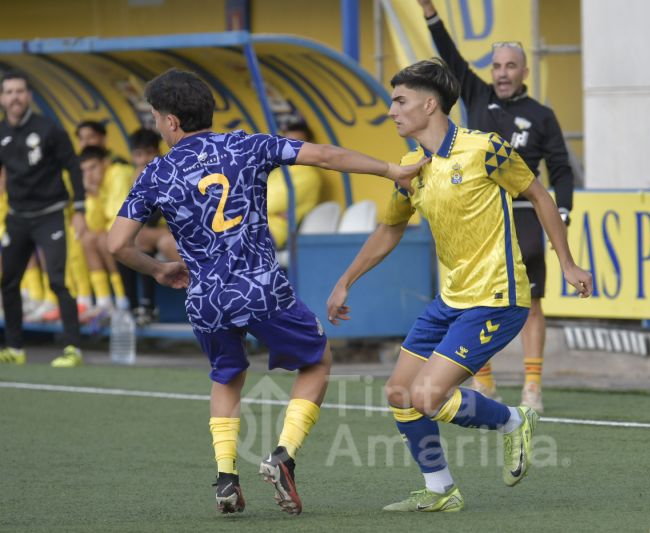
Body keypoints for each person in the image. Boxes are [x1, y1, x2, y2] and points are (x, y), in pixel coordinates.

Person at [107, 68, 427, 515]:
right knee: (317, 360)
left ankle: (225, 477)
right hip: (260, 288)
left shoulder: (154, 173)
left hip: (206, 298)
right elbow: (328, 157)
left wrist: (159, 270)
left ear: (172, 122)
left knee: (227, 375)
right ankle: (283, 455)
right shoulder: (247, 144)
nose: (158, 125)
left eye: (157, 117)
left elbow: (116, 245)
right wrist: (393, 169)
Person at [326, 59, 592, 512]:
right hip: (451, 299)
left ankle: (513, 421)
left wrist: (566, 262)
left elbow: (539, 194)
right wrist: (346, 280)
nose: (391, 111)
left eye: (400, 101)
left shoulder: (485, 148)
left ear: (430, 105)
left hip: (497, 298)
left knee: (427, 397)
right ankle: (440, 489)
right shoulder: (411, 167)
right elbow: (390, 229)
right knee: (399, 394)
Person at [417, 0, 577, 412]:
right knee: (472, 302)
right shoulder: (476, 94)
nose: (502, 73)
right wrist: (429, 10)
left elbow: (560, 169)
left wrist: (563, 211)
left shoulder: (540, 115)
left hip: (523, 219)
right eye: (497, 66)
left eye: (510, 66)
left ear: (524, 71)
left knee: (533, 303)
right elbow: (449, 55)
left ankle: (532, 387)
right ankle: (485, 384)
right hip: (477, 219)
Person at [0, 70, 87, 367]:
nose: (15, 98)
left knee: (58, 280)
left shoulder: (49, 129)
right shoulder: (2, 132)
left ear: (29, 96)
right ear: (2, 98)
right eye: (9, 92)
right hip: (17, 217)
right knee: (9, 282)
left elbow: (73, 167)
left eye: (20, 92)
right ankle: (15, 347)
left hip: (50, 215)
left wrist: (79, 209)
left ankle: (73, 347)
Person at [128, 127, 177, 325]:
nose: (144, 160)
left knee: (135, 237)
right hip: (159, 234)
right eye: (139, 155)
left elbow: (151, 216)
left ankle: (144, 305)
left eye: (149, 153)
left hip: (179, 231)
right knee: (122, 240)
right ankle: (138, 305)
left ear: (158, 152)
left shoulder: (168, 169)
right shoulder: (138, 174)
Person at [79, 146, 135, 318]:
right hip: (119, 231)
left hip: (140, 230)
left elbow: (119, 217)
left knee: (105, 240)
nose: (89, 174)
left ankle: (122, 299)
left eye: (93, 167)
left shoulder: (118, 173)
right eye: (85, 170)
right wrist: (93, 195)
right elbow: (94, 224)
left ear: (105, 162)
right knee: (88, 239)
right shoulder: (100, 182)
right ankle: (104, 301)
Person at [266, 117, 322, 249]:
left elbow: (268, 203)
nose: (290, 148)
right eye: (286, 143)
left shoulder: (309, 175)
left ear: (310, 144)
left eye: (297, 144)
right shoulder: (279, 171)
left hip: (272, 232)